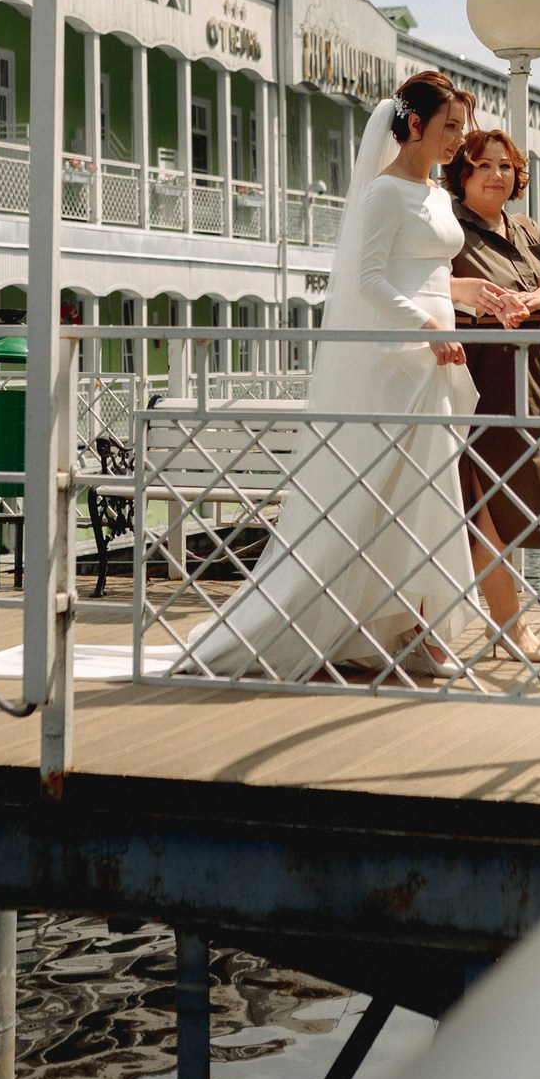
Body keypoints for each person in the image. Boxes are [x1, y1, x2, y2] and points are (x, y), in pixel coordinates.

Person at [176, 70, 486, 683]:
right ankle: (380, 621)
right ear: (415, 124)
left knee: (429, 496)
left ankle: (411, 623)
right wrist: (428, 328)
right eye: (450, 127)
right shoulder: (382, 194)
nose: (459, 141)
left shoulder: (435, 195)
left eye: (462, 129)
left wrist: (481, 297)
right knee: (385, 494)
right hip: (397, 361)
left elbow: (423, 272)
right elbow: (367, 281)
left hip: (436, 360)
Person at [446, 130, 540, 663]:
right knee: (484, 507)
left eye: (505, 167)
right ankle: (509, 627)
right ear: (463, 174)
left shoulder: (525, 228)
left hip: (531, 386)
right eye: (483, 166)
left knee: (513, 502)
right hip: (478, 385)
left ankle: (494, 623)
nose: (497, 175)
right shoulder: (451, 230)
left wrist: (538, 297)